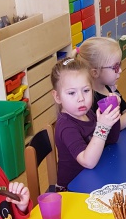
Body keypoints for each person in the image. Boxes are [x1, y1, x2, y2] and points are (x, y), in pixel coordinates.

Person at [52, 56, 121, 189]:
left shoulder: (87, 113)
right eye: (71, 93)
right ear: (57, 96)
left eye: (86, 90)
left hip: (92, 178)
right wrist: (102, 127)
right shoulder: (66, 127)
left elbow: (111, 140)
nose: (81, 98)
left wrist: (113, 115)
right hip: (71, 191)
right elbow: (88, 161)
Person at [77, 37, 126, 129]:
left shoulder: (109, 88)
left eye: (120, 65)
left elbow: (125, 111)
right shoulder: (91, 100)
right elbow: (115, 127)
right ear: (95, 72)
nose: (120, 70)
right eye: (115, 67)